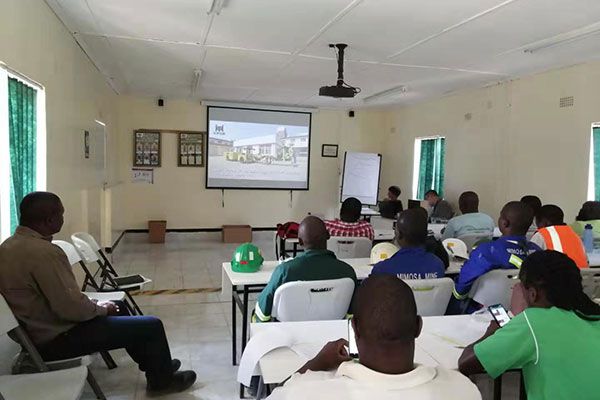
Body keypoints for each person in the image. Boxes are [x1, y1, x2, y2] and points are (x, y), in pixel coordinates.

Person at [0, 192, 196, 394]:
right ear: (49, 220)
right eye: (61, 214)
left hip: (38, 332)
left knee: (119, 306)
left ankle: (157, 365)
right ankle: (161, 382)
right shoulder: (44, 253)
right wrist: (99, 309)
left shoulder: (8, 245)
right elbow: (69, 308)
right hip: (57, 338)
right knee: (152, 325)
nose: (63, 218)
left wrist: (97, 306)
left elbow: (61, 299)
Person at [267, 275, 481, 400]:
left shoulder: (306, 393)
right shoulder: (464, 390)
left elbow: (276, 394)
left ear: (355, 328)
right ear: (418, 327)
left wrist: (316, 363)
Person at [458, 251, 600, 400]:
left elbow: (466, 363)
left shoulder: (535, 322)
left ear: (533, 294)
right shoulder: (592, 315)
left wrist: (492, 332)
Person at [254, 216, 358, 322]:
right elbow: (352, 312)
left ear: (300, 241)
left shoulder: (285, 271)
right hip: (331, 332)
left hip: (289, 333)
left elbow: (263, 313)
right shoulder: (348, 272)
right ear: (328, 235)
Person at [452, 201, 541, 305]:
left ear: (504, 223)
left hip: (484, 310)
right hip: (523, 309)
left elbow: (460, 290)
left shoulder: (486, 251)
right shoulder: (538, 252)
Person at [371, 208, 445, 279]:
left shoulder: (382, 269)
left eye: (395, 229)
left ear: (399, 234)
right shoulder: (438, 265)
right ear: (425, 234)